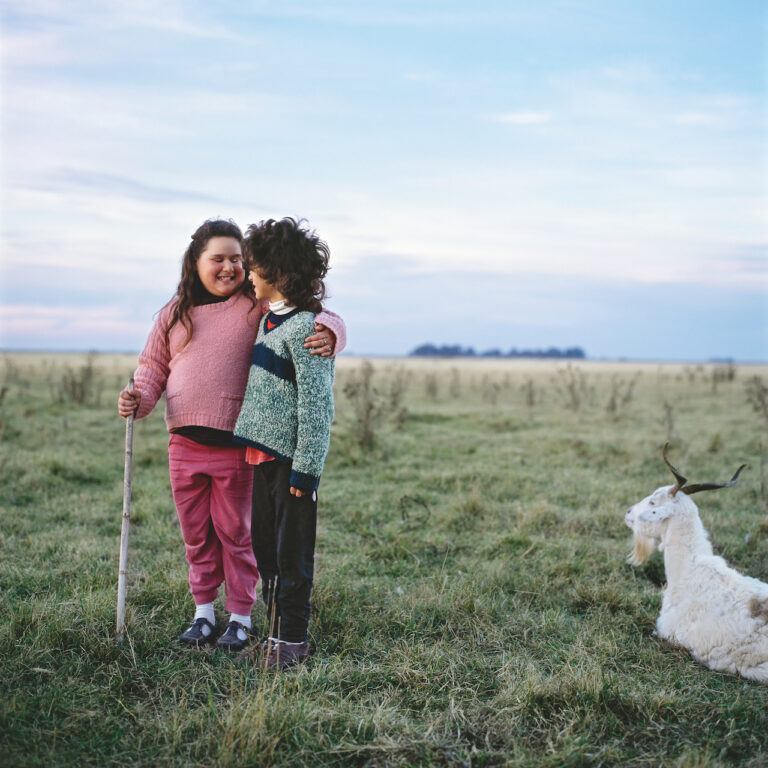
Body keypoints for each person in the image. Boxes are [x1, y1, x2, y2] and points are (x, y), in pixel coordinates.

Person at [117, 218, 345, 652]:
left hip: (237, 446)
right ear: (195, 262)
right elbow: (151, 369)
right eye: (217, 258)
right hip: (183, 444)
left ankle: (241, 616)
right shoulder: (175, 311)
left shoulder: (253, 303)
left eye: (238, 260)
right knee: (196, 534)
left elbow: (307, 311)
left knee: (237, 535)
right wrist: (138, 399)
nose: (230, 267)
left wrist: (333, 331)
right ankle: (203, 613)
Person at [233, 217, 335, 669]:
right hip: (262, 457)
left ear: (276, 271)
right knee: (265, 550)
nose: (247, 274)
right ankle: (273, 634)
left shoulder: (308, 331)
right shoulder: (269, 319)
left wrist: (307, 470)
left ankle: (292, 640)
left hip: (292, 464)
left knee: (292, 555)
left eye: (253, 267)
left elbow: (317, 407)